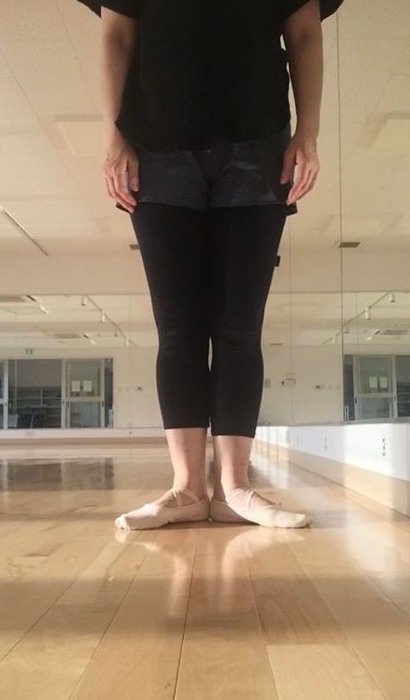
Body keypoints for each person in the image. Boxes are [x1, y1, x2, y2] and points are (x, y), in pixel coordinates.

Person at [77, 0, 344, 530]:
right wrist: (112, 135)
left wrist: (308, 131)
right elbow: (116, 35)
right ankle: (187, 489)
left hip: (258, 143)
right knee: (178, 328)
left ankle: (234, 489)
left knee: (240, 328)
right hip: (156, 146)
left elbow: (304, 33)